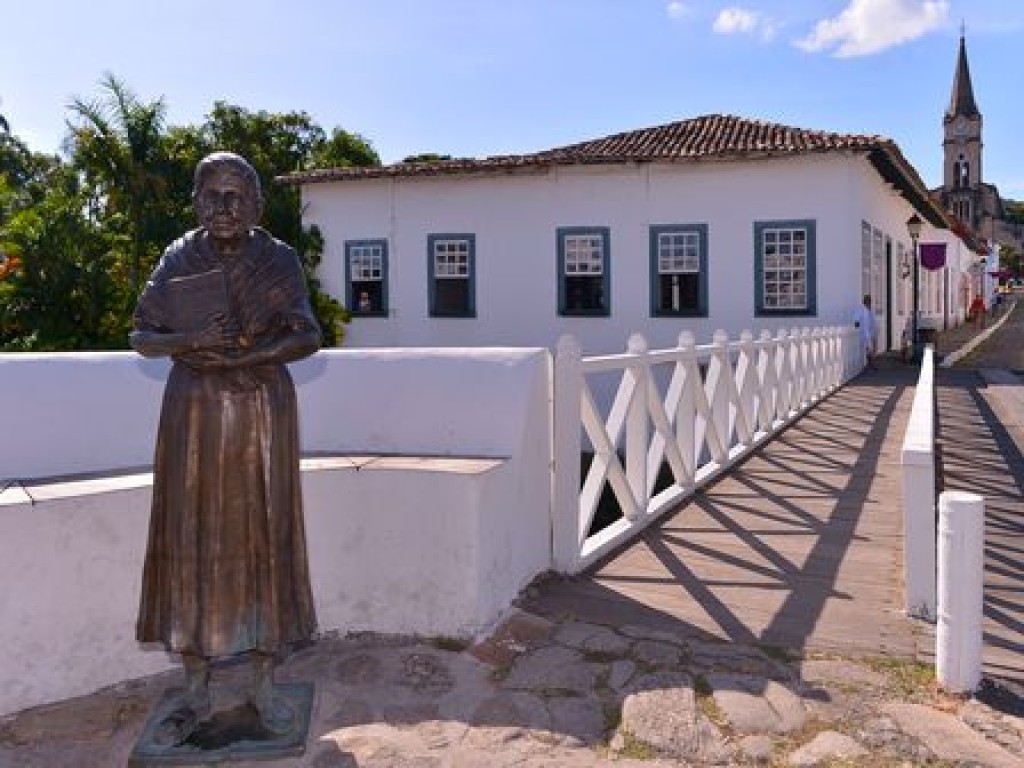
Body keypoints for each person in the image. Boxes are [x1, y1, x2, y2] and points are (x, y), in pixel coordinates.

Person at [130, 152, 321, 745]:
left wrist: (246, 356)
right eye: (211, 195)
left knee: (266, 536)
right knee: (191, 538)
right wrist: (192, 339)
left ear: (258, 204)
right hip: (193, 414)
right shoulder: (178, 257)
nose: (223, 207)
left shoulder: (279, 258)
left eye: (236, 195)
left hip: (262, 411)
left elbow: (309, 333)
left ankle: (264, 682)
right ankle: (196, 683)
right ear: (195, 202)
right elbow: (141, 333)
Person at [852, 294, 878, 369]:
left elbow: (872, 321)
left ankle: (870, 362)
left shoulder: (869, 310)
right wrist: (857, 331)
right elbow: (856, 321)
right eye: (868, 301)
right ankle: (869, 363)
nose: (869, 303)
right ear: (864, 301)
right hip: (863, 333)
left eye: (869, 301)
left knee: (871, 348)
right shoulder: (860, 310)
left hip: (870, 333)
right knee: (867, 348)